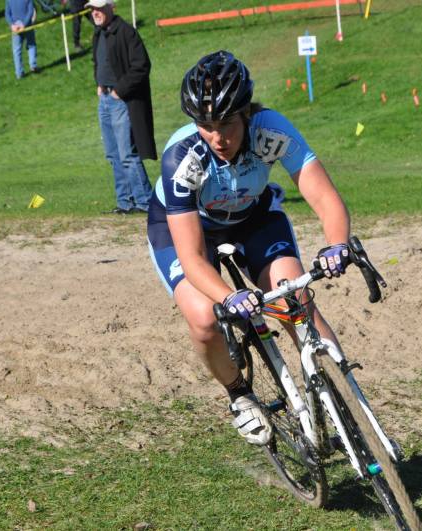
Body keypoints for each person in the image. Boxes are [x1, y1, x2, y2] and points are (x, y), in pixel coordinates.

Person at [147, 51, 352, 445]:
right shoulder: (182, 156)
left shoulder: (271, 132)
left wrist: (337, 244)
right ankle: (239, 394)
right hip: (189, 231)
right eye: (205, 125)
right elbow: (190, 257)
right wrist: (231, 296)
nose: (217, 137)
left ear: (245, 113)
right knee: (206, 319)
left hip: (253, 217)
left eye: (225, 123)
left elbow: (324, 196)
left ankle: (342, 396)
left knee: (295, 299)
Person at [88, 0, 156, 214]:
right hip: (105, 99)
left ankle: (145, 202)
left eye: (99, 8)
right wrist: (100, 85)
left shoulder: (126, 32)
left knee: (127, 154)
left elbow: (142, 65)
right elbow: (99, 63)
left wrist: (119, 91)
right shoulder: (98, 34)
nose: (95, 13)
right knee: (113, 154)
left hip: (121, 100)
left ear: (110, 7)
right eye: (92, 9)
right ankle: (125, 202)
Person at [5, 0, 39, 79]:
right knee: (31, 45)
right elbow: (30, 11)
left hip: (15, 27)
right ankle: (33, 65)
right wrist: (24, 24)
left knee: (17, 50)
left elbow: (7, 14)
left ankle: (19, 73)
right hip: (27, 25)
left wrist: (12, 25)